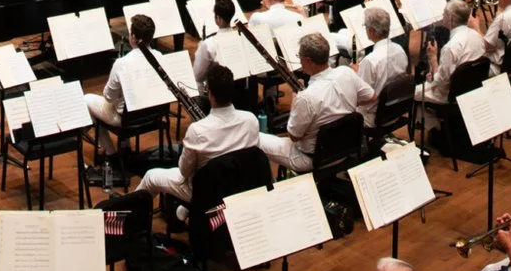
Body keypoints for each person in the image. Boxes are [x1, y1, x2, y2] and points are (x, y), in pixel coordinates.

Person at [133, 65, 262, 213]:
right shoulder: (251, 120)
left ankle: (132, 217)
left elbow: (184, 171)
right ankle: (181, 213)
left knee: (151, 177)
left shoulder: (197, 130)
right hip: (240, 184)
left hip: (207, 192)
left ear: (210, 94)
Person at [86, 16, 193, 159]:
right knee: (126, 100)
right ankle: (125, 148)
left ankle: (110, 152)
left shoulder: (122, 63)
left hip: (128, 120)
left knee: (87, 100)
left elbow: (108, 97)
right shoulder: (159, 56)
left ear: (134, 37)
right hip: (156, 115)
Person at [263, 34, 369, 172]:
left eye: (299, 56)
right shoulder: (346, 72)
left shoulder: (305, 97)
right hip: (344, 149)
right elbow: (371, 96)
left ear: (307, 60)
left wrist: (295, 99)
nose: (299, 60)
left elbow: (294, 135)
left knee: (257, 139)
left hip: (312, 158)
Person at [424, 0, 485, 104]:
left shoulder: (450, 47)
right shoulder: (478, 36)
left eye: (444, 13)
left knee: (415, 92)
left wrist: (433, 59)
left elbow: (441, 84)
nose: (442, 15)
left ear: (450, 18)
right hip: (474, 87)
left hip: (453, 95)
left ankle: (434, 118)